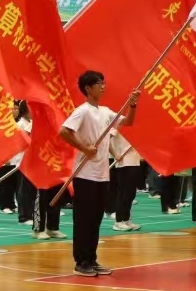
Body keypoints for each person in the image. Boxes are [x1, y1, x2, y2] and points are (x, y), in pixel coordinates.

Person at [59, 70, 140, 277]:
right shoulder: (83, 111)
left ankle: (91, 259)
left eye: (104, 82)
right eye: (98, 83)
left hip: (102, 175)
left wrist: (132, 105)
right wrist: (84, 148)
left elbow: (128, 122)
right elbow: (64, 131)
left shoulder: (105, 111)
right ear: (88, 88)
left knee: (95, 220)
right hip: (85, 175)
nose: (103, 86)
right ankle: (81, 262)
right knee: (83, 220)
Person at [110, 129, 141, 231]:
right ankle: (118, 222)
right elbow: (106, 140)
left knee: (131, 194)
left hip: (135, 161)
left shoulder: (134, 126)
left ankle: (126, 220)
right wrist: (115, 154)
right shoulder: (117, 124)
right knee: (123, 193)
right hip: (124, 163)